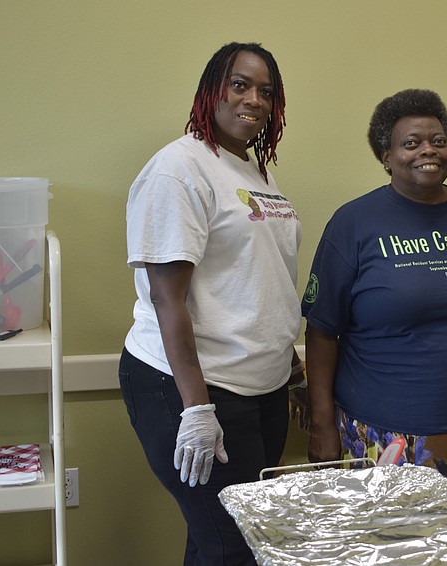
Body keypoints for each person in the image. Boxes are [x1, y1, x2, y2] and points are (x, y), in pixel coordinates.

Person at [120, 42, 303, 565]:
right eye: (239, 84)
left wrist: (286, 361)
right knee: (238, 549)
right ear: (211, 90)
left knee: (216, 544)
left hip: (259, 386)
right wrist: (197, 409)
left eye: (266, 91)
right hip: (190, 386)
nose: (255, 99)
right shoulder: (178, 169)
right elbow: (167, 297)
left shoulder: (253, 171)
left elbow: (257, 277)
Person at [301, 89, 447, 514]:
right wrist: (322, 423)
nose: (428, 151)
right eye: (411, 143)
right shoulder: (354, 223)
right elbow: (322, 331)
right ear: (386, 155)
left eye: (438, 140)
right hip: (388, 435)